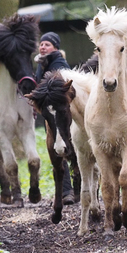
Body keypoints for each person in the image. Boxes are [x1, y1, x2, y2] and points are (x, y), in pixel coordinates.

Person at [35, 32, 76, 205]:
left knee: (69, 147)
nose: (43, 46)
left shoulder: (59, 63)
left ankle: (74, 189)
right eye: (41, 44)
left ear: (56, 48)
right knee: (56, 150)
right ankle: (67, 190)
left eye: (47, 44)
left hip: (64, 116)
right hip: (50, 116)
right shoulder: (42, 63)